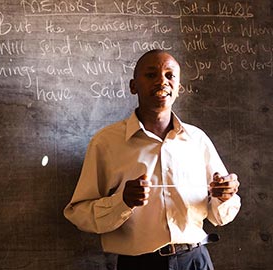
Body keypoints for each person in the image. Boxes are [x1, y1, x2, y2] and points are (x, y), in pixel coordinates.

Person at [63, 49, 241, 270]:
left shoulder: (197, 140)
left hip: (195, 260)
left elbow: (220, 215)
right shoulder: (106, 143)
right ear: (133, 86)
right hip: (140, 264)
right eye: (150, 75)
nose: (162, 81)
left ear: (179, 87)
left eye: (170, 75)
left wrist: (225, 195)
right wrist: (123, 201)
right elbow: (79, 213)